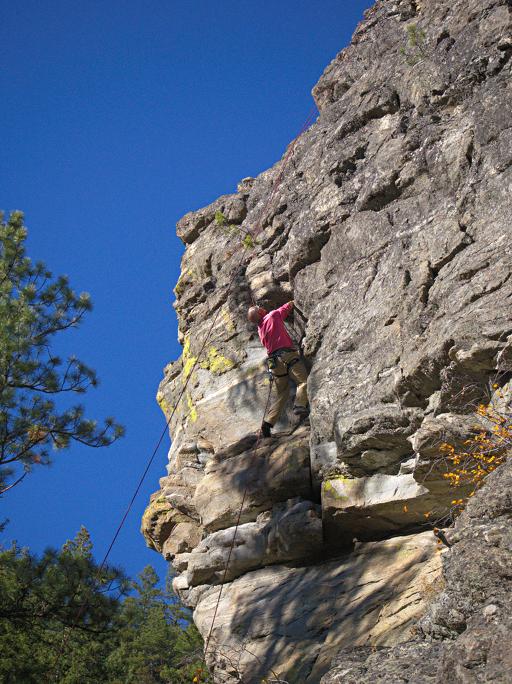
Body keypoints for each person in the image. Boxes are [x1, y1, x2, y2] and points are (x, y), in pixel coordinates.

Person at [247, 300, 309, 438]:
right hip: (287, 355)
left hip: (274, 363)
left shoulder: (260, 329)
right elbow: (287, 307)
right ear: (260, 312)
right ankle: (300, 405)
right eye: (260, 308)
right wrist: (293, 301)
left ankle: (267, 424)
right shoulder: (273, 315)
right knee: (303, 381)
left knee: (282, 393)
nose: (262, 308)